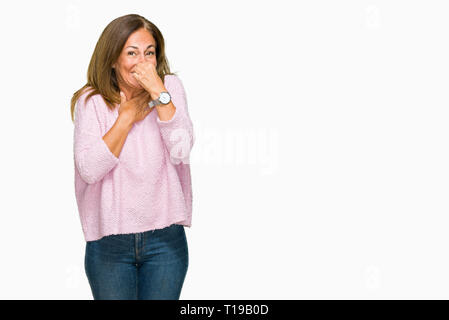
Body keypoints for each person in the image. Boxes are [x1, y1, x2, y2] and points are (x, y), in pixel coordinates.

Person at [70, 14, 195, 300]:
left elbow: (181, 151)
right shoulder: (92, 101)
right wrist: (125, 119)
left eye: (149, 53)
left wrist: (159, 93)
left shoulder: (169, 89)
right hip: (109, 244)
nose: (142, 62)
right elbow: (89, 169)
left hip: (165, 240)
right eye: (131, 53)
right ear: (113, 58)